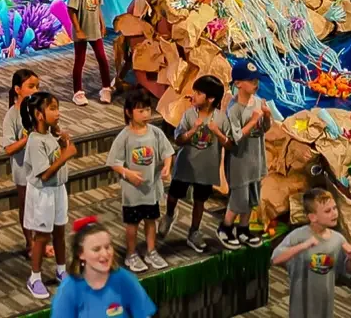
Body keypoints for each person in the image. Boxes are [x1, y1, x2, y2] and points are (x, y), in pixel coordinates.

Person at [159, 75, 231, 253]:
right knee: (173, 195)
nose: (193, 96)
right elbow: (178, 140)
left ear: (211, 99)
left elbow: (230, 144)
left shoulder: (221, 119)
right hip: (185, 165)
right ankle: (169, 215)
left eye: (198, 93)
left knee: (200, 201)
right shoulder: (189, 114)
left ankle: (194, 231)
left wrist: (217, 132)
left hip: (206, 169)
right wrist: (192, 130)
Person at [106, 90, 173, 273]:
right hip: (132, 192)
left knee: (151, 220)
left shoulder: (155, 133)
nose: (145, 115)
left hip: (150, 189)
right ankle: (131, 254)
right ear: (129, 112)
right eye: (140, 111)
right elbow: (114, 162)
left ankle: (151, 251)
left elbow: (167, 152)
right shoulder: (125, 137)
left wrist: (167, 166)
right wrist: (127, 173)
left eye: (147, 110)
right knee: (132, 224)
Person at [271, 188, 351, 318]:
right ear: (313, 217)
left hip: (325, 304)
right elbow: (275, 259)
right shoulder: (298, 236)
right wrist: (303, 246)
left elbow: (349, 270)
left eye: (335, 208)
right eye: (328, 211)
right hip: (301, 306)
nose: (334, 213)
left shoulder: (338, 239)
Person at [22, 91, 77, 299]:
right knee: (42, 236)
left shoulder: (51, 136)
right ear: (39, 114)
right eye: (52, 108)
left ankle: (61, 269)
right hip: (42, 193)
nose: (58, 113)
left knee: (60, 231)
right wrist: (65, 155)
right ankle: (35, 277)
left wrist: (63, 144)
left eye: (57, 108)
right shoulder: (35, 141)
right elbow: (44, 174)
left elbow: (57, 159)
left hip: (58, 189)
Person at [51, 216, 157, 318]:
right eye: (96, 249)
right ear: (81, 253)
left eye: (107, 247)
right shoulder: (69, 289)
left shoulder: (124, 279)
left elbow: (144, 314)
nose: (105, 254)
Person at [219, 60, 272, 249]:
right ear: (238, 83)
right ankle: (225, 227)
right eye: (251, 80)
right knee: (238, 199)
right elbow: (236, 136)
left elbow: (265, 129)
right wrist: (254, 119)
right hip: (239, 161)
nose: (255, 84)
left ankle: (243, 228)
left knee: (251, 197)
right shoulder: (233, 110)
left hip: (256, 158)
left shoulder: (258, 102)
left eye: (256, 80)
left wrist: (266, 117)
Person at [66, 0, 112, 106]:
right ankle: (77, 92)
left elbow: (97, 5)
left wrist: (102, 22)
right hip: (82, 30)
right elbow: (71, 9)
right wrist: (78, 29)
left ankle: (106, 88)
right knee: (80, 60)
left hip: (95, 29)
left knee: (102, 58)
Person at [2, 69, 41, 251]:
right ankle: (30, 241)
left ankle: (42, 240)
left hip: (40, 167)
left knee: (41, 205)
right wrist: (28, 138)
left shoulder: (38, 111)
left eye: (37, 87)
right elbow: (9, 148)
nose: (35, 90)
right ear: (17, 89)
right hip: (23, 169)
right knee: (26, 205)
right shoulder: (11, 116)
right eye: (31, 86)